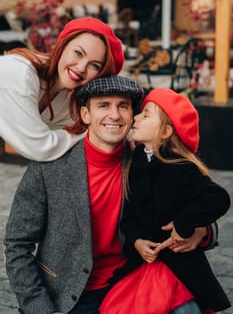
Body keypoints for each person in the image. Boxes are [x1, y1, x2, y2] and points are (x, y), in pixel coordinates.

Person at [4, 77, 219, 314]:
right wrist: (41, 308)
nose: (115, 115)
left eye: (123, 106)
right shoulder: (49, 166)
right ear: (86, 115)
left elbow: (192, 201)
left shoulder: (144, 161)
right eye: (104, 105)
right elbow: (17, 245)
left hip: (129, 283)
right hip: (67, 296)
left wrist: (201, 231)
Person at [100, 88, 231, 314]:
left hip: (179, 268)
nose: (136, 117)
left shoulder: (181, 167)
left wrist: (184, 224)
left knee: (184, 309)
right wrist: (136, 242)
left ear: (165, 131)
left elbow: (218, 198)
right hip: (143, 267)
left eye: (146, 114)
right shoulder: (136, 165)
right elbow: (129, 219)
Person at [0, 16, 124, 161]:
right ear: (62, 46)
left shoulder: (65, 97)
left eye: (94, 65)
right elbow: (40, 148)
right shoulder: (20, 73)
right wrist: (90, 133)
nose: (81, 67)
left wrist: (122, 131)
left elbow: (87, 125)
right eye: (78, 53)